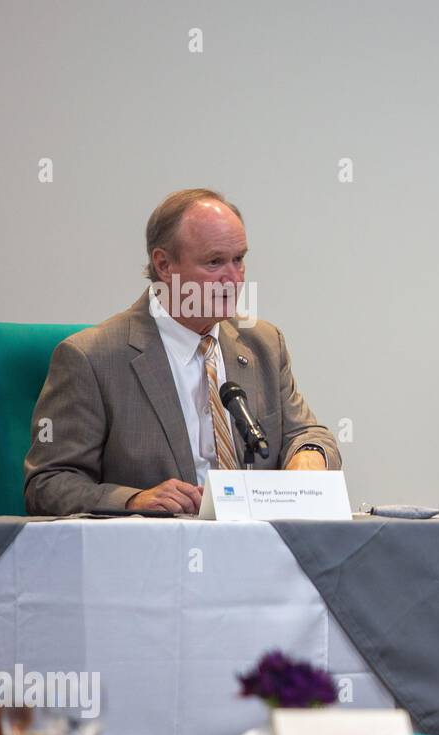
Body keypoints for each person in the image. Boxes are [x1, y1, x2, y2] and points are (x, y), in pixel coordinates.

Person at [24, 188, 340, 516]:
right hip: (156, 555)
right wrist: (133, 500)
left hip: (260, 550)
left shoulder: (263, 342)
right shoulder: (92, 358)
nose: (233, 279)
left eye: (239, 259)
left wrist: (309, 454)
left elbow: (306, 432)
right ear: (164, 264)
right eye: (215, 262)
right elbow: (48, 484)